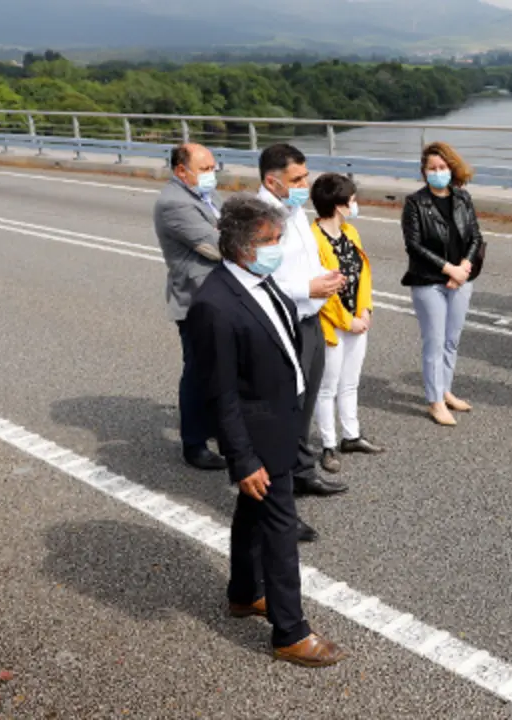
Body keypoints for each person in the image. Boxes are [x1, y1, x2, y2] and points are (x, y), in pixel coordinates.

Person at [186, 195, 349, 668]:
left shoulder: (262, 279)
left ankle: (244, 592)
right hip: (258, 432)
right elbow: (219, 392)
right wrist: (242, 458)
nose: (278, 247)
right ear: (241, 247)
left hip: (281, 417)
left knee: (250, 512)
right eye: (269, 241)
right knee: (280, 528)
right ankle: (290, 632)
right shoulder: (215, 305)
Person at [258, 143, 349, 498]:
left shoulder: (294, 210)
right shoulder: (260, 217)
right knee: (286, 405)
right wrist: (306, 288)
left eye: (305, 177)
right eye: (296, 180)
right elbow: (259, 278)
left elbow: (304, 259)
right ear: (272, 181)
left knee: (306, 400)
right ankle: (280, 481)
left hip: (310, 318)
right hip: (284, 322)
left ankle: (301, 471)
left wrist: (325, 277)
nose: (304, 186)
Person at [154, 143, 226, 471]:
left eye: (213, 167)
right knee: (198, 371)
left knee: (220, 368)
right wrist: (227, 235)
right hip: (197, 300)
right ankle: (194, 444)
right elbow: (218, 246)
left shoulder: (204, 195)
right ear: (181, 171)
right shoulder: (174, 202)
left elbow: (229, 229)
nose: (212, 174)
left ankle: (217, 428)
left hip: (219, 295)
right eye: (205, 169)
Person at [402, 142, 484, 427]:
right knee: (434, 341)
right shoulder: (415, 203)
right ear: (424, 172)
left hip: (461, 278)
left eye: (442, 167)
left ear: (451, 167)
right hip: (429, 281)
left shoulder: (462, 198)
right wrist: (449, 269)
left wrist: (464, 266)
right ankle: (435, 401)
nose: (438, 172)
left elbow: (475, 236)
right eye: (432, 168)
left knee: (452, 340)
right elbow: (414, 245)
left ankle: (445, 390)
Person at [310, 173, 384, 474]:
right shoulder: (313, 239)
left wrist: (365, 311)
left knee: (350, 382)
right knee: (327, 386)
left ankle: (351, 435)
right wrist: (347, 321)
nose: (355, 205)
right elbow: (322, 290)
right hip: (332, 324)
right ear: (338, 205)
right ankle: (328, 444)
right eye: (352, 200)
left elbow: (363, 275)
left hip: (356, 318)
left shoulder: (350, 232)